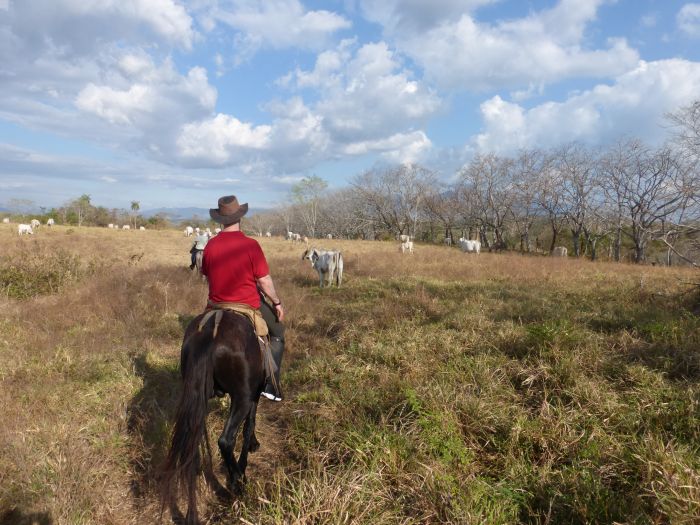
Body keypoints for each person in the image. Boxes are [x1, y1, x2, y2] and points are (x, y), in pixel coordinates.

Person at [201, 195, 285, 401]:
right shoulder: (251, 245)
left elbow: (206, 276)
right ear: (240, 217)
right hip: (247, 305)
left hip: (215, 304)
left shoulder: (210, 246)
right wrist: (277, 302)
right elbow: (264, 281)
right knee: (278, 333)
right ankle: (270, 383)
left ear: (220, 219)